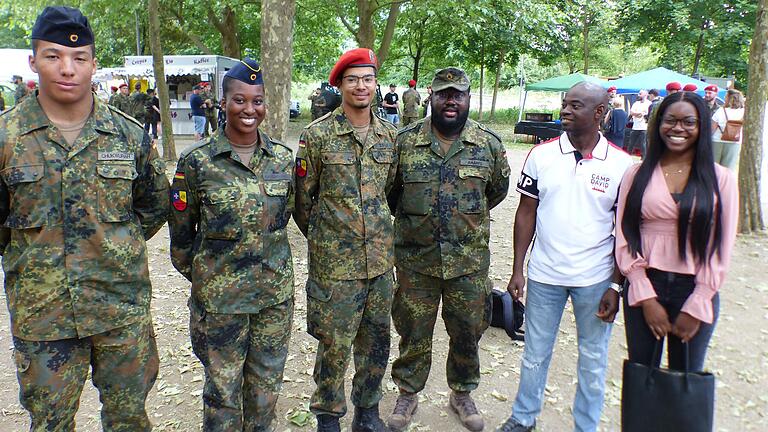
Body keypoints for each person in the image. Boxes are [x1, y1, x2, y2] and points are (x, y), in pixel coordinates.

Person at [0, 6, 170, 430]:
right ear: (33, 60)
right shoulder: (5, 138)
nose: (67, 69)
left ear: (94, 63)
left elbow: (153, 206)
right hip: (44, 317)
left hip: (121, 310)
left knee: (128, 419)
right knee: (51, 423)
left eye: (79, 58)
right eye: (53, 56)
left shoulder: (129, 136)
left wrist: (111, 246)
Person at [496, 82, 634, 432]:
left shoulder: (621, 165)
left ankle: (585, 426)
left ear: (600, 113)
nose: (565, 111)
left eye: (575, 106)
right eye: (565, 104)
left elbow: (625, 229)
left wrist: (616, 286)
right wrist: (517, 270)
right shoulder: (541, 155)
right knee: (535, 354)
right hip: (545, 275)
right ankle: (523, 418)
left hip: (596, 280)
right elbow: (526, 212)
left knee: (592, 358)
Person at [169, 58, 295, 432]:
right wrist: (210, 277)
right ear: (222, 103)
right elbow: (180, 237)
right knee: (223, 391)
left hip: (273, 299)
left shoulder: (283, 161)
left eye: (257, 101)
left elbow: (286, 218)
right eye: (240, 100)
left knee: (266, 387)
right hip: (221, 303)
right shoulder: (197, 163)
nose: (249, 110)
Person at [387, 67, 510, 432]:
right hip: (415, 261)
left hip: (468, 263)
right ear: (431, 97)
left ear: (468, 98)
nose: (451, 100)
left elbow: (496, 192)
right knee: (413, 331)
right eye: (443, 94)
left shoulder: (487, 144)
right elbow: (391, 194)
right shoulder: (404, 141)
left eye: (458, 94)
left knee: (468, 330)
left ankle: (462, 392)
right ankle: (408, 393)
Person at [294, 47, 398, 432]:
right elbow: (303, 201)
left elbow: (390, 191)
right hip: (335, 268)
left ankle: (368, 412)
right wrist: (330, 239)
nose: (361, 86)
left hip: (379, 266)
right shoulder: (317, 134)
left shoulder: (391, 135)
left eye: (368, 79)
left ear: (375, 85)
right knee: (333, 345)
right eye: (352, 79)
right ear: (339, 84)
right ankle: (328, 415)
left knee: (376, 343)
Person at [615, 91, 738, 376]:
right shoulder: (637, 174)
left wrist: (698, 302)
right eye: (670, 120)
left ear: (702, 126)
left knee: (685, 382)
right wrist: (644, 295)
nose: (678, 128)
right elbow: (625, 233)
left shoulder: (722, 179)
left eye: (688, 122)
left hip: (695, 289)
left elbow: (722, 245)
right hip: (646, 285)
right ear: (658, 125)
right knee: (642, 378)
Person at [711, 88, 745, 170]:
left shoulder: (720, 111)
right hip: (735, 142)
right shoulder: (744, 112)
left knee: (714, 167)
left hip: (717, 140)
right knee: (729, 169)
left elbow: (712, 128)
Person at [628, 89, 651, 158]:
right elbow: (632, 112)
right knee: (631, 143)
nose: (638, 95)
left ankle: (644, 158)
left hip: (644, 127)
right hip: (635, 126)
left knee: (643, 144)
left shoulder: (649, 103)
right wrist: (639, 113)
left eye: (640, 94)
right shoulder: (636, 103)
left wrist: (639, 114)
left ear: (645, 95)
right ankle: (627, 156)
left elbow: (647, 114)